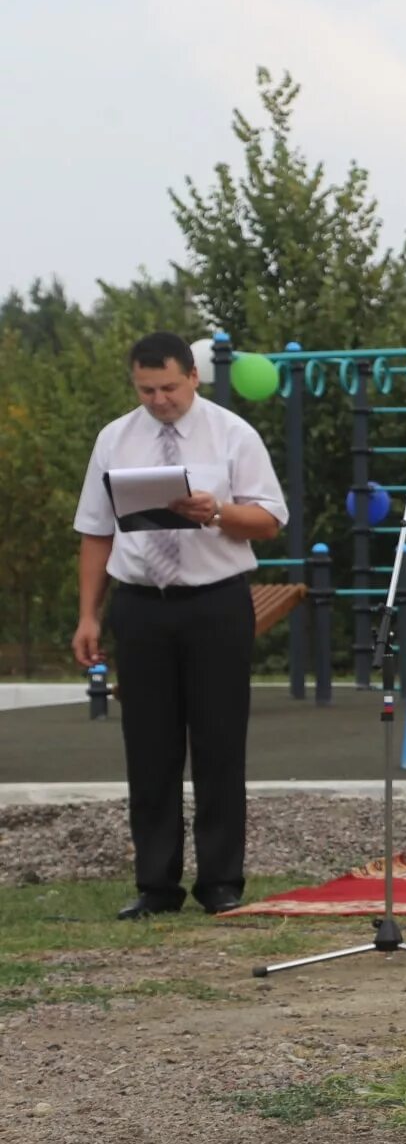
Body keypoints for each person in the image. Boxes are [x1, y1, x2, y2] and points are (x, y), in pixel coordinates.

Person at [71, 333, 288, 919]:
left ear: (193, 375)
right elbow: (95, 530)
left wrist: (215, 511)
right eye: (147, 390)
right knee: (148, 747)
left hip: (214, 602)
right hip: (140, 605)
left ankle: (221, 881)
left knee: (218, 744)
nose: (160, 400)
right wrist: (88, 614)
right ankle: (155, 886)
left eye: (169, 387)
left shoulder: (232, 434)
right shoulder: (116, 438)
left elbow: (268, 521)